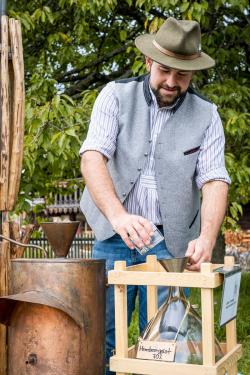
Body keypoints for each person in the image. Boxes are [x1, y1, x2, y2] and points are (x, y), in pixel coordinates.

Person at [79, 17, 230, 375]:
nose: (171, 82)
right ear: (149, 62)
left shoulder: (208, 115)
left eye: (182, 75)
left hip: (168, 245)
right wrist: (118, 216)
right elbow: (92, 157)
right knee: (102, 339)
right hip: (111, 236)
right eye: (165, 70)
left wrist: (206, 238)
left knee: (165, 345)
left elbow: (214, 181)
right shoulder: (114, 95)